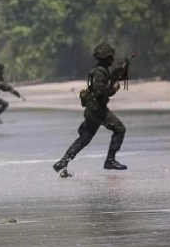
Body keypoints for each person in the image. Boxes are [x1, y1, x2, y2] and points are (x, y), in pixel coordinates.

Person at [52, 43, 129, 175]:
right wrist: (113, 90)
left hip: (92, 109)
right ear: (106, 58)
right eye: (110, 57)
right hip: (98, 110)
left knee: (85, 137)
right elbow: (99, 92)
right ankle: (110, 160)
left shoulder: (100, 71)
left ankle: (63, 162)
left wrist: (117, 75)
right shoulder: (99, 72)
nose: (112, 59)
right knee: (119, 129)